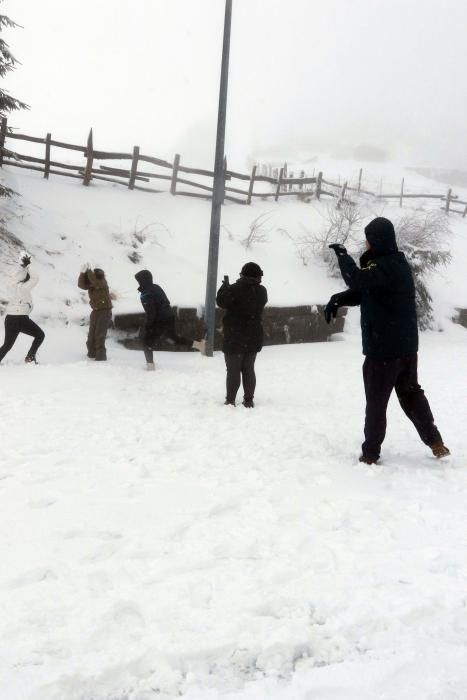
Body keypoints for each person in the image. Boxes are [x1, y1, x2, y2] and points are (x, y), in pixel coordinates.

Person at [325, 216, 450, 464]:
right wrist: (338, 299)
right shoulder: (395, 264)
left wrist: (342, 255)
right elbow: (365, 290)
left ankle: (370, 453)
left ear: (377, 240)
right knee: (411, 394)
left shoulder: (384, 265)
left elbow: (358, 280)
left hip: (383, 350)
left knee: (376, 402)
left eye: (368, 239)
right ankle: (435, 441)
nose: (367, 244)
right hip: (405, 348)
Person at [216, 262, 268, 407]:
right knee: (248, 369)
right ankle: (249, 400)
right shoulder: (262, 291)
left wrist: (224, 287)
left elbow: (221, 301)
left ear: (243, 275)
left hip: (235, 337)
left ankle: (230, 400)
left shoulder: (235, 289)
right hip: (254, 337)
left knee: (233, 370)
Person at [135, 269, 206, 370]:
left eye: (139, 280)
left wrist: (148, 325)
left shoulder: (146, 294)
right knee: (174, 338)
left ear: (143, 280)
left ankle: (150, 366)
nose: (138, 282)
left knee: (146, 341)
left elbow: (151, 312)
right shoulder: (156, 287)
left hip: (159, 320)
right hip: (169, 316)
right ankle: (199, 345)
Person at [0, 251, 45, 364]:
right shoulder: (23, 287)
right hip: (20, 319)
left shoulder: (9, 284)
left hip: (9, 319)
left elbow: (16, 273)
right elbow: (35, 278)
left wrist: (22, 266)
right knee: (40, 335)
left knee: (7, 345)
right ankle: (30, 357)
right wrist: (28, 266)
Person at [78, 264, 112, 361]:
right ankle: (91, 355)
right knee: (91, 336)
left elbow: (95, 281)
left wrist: (88, 270)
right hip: (95, 311)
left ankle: (101, 358)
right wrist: (82, 273)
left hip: (105, 311)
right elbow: (81, 285)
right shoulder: (93, 284)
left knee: (99, 335)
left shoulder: (102, 282)